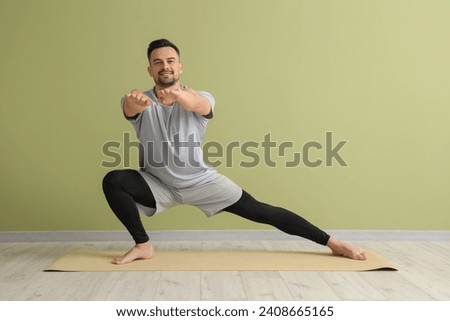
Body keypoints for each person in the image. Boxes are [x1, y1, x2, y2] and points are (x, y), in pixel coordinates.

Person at [102, 38, 367, 265]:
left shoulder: (200, 95)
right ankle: (143, 245)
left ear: (180, 66)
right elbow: (129, 108)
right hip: (158, 183)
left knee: (263, 212)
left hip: (201, 181)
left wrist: (177, 96)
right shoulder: (142, 100)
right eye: (158, 62)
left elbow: (198, 105)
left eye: (171, 60)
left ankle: (333, 242)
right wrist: (133, 102)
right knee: (114, 181)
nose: (165, 66)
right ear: (150, 69)